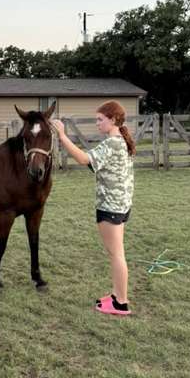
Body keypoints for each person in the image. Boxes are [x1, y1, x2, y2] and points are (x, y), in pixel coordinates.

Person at [51, 101, 135, 316]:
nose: (97, 123)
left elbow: (83, 159)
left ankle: (121, 303)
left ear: (113, 120)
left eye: (100, 119)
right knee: (116, 253)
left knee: (116, 254)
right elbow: (92, 163)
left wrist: (62, 136)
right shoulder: (119, 141)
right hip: (120, 205)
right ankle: (116, 295)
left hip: (111, 207)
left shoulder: (113, 143)